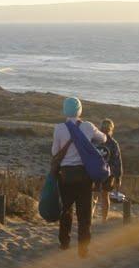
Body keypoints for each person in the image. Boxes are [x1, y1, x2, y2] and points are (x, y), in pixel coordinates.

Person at [51, 96, 107, 257]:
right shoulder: (88, 126)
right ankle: (83, 248)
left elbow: (55, 152)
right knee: (84, 213)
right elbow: (103, 138)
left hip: (66, 176)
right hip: (84, 176)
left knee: (65, 210)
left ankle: (64, 243)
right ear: (80, 110)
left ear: (65, 110)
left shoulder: (59, 128)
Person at [95, 118, 123, 221]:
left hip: (96, 171)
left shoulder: (96, 140)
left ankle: (93, 215)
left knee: (94, 195)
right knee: (104, 196)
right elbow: (117, 162)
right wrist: (118, 178)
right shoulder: (113, 143)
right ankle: (104, 219)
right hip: (108, 173)